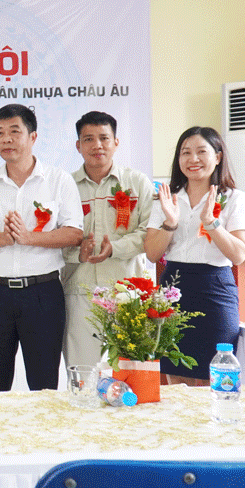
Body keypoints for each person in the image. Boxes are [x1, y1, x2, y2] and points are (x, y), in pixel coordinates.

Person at [0, 104, 82, 391]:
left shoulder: (59, 180)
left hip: (42, 294)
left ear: (32, 136)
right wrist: (5, 238)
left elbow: (74, 233)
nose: (6, 139)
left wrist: (28, 237)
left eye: (14, 131)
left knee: (44, 384)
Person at [144, 126, 245, 386]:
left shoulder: (235, 198)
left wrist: (211, 222)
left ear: (217, 156)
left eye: (201, 152)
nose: (193, 159)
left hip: (215, 289)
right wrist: (170, 222)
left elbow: (238, 254)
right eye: (186, 153)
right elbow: (152, 253)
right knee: (172, 378)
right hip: (173, 287)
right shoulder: (166, 198)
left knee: (212, 377)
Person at [62, 112, 154, 368]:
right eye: (88, 139)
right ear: (78, 145)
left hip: (129, 290)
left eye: (104, 137)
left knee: (131, 369)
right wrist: (75, 253)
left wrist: (114, 248)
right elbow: (54, 238)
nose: (97, 145)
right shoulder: (65, 186)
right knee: (82, 372)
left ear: (116, 142)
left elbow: (150, 233)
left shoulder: (137, 182)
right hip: (80, 291)